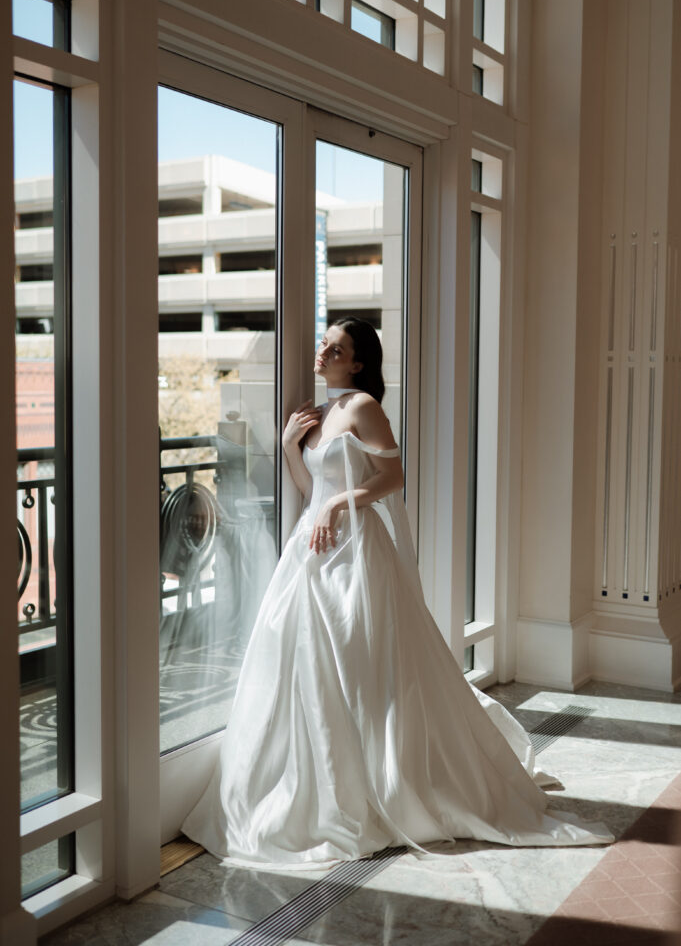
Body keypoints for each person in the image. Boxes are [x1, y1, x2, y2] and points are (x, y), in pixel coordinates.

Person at [182, 317, 611, 868]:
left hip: (356, 553)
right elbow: (313, 488)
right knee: (302, 664)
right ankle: (309, 781)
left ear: (357, 362)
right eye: (324, 343)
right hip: (311, 550)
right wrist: (292, 447)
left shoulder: (362, 406)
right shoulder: (320, 412)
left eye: (335, 347)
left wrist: (340, 505)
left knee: (360, 664)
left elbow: (393, 479)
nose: (323, 351)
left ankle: (375, 783)